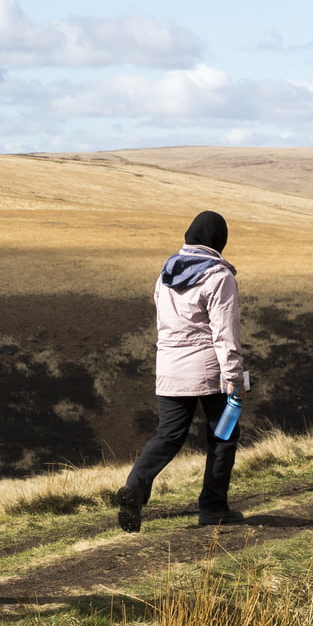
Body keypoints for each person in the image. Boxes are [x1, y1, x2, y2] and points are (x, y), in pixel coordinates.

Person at [117, 210, 245, 532]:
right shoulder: (219, 276)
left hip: (169, 368)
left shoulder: (166, 273)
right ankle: (213, 507)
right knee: (223, 436)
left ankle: (135, 487)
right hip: (209, 371)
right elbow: (225, 333)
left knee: (168, 436)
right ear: (219, 239)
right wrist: (234, 377)